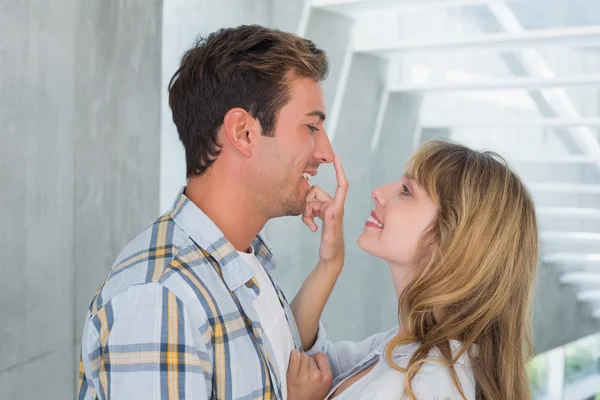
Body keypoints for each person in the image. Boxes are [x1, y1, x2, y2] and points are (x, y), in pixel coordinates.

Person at [77, 25, 351, 400]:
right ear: (243, 133)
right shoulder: (162, 299)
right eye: (311, 127)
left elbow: (280, 358)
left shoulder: (242, 259)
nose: (326, 152)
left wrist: (330, 263)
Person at [288, 139, 539, 399]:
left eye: (406, 191)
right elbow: (304, 358)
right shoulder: (405, 348)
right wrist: (330, 262)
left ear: (450, 238)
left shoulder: (428, 385)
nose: (379, 193)